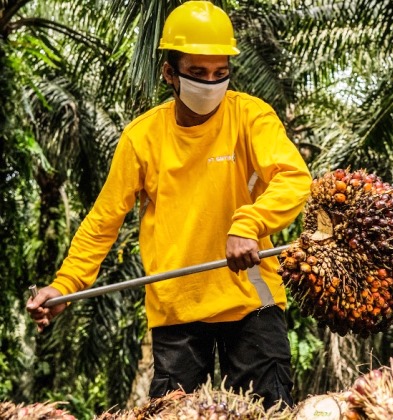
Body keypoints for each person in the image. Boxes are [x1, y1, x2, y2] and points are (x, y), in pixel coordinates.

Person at [26, 0, 312, 410]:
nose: (210, 83)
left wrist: (248, 224)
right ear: (169, 74)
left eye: (220, 73)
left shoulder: (251, 118)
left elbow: (294, 178)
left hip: (251, 304)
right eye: (197, 73)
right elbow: (104, 220)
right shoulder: (142, 138)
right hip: (177, 310)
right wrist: (65, 285)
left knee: (270, 413)